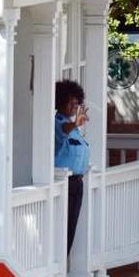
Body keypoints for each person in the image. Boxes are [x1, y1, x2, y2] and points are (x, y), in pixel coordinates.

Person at [54, 79, 90, 254]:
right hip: (63, 183)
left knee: (71, 227)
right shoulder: (59, 123)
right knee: (61, 228)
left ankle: (64, 262)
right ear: (60, 102)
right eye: (71, 103)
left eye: (77, 104)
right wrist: (75, 122)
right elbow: (63, 131)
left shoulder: (75, 129)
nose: (74, 107)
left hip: (77, 182)